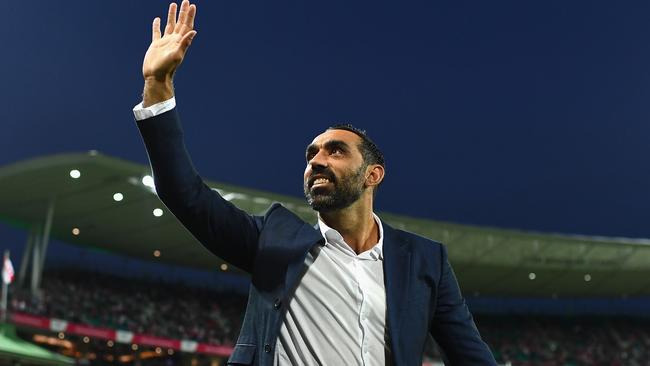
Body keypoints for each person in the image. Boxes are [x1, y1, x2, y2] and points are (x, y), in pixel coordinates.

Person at [133, 1, 497, 365]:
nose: (317, 161)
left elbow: (472, 356)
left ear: (373, 175)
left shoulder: (424, 260)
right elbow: (185, 195)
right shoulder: (274, 241)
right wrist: (158, 85)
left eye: (335, 151)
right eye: (311, 155)